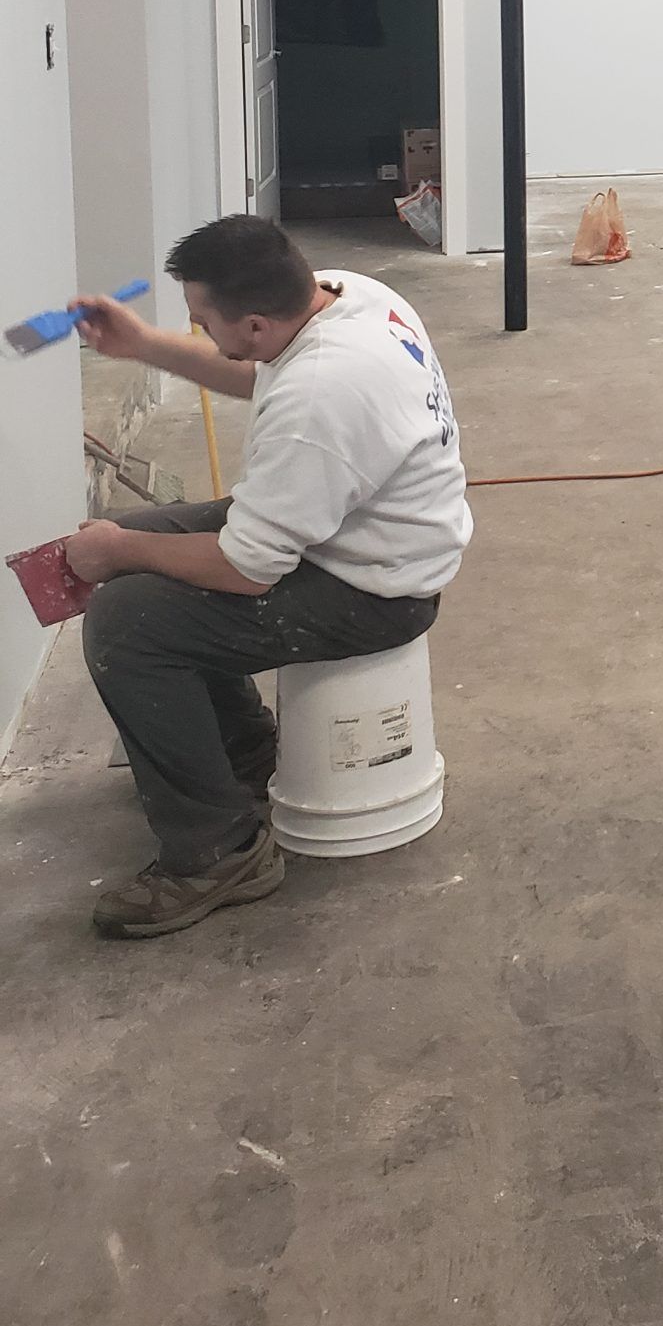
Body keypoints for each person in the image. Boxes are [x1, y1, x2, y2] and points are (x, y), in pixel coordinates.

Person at [63, 215, 470, 940]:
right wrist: (143, 346)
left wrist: (117, 549)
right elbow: (260, 369)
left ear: (253, 321)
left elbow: (246, 569)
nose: (196, 329)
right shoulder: (350, 296)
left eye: (199, 320)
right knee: (156, 546)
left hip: (376, 591)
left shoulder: (321, 397)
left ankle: (218, 852)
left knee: (129, 621)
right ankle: (242, 751)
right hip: (358, 532)